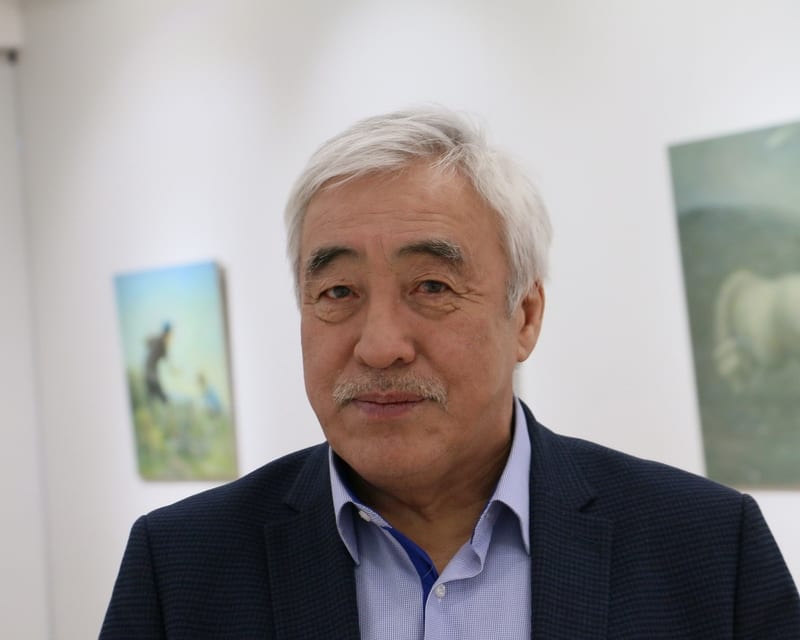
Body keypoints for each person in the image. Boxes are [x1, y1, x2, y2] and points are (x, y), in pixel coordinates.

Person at [101, 108, 800, 638]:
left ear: (524, 316)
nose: (380, 346)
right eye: (338, 292)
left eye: (432, 287)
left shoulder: (707, 550)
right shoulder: (181, 568)